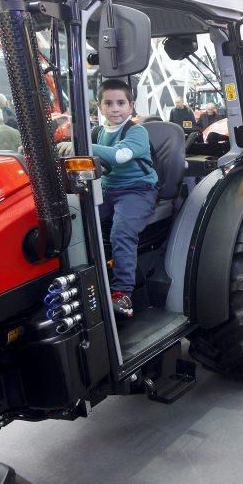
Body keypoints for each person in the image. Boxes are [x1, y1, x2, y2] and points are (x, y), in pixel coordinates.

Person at [58, 79, 158, 318]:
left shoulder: (137, 131)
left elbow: (121, 156)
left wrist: (81, 146)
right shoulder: (98, 133)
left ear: (131, 105)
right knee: (75, 219)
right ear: (99, 107)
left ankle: (122, 292)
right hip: (108, 190)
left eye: (121, 103)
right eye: (109, 103)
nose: (115, 108)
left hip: (138, 191)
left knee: (121, 231)